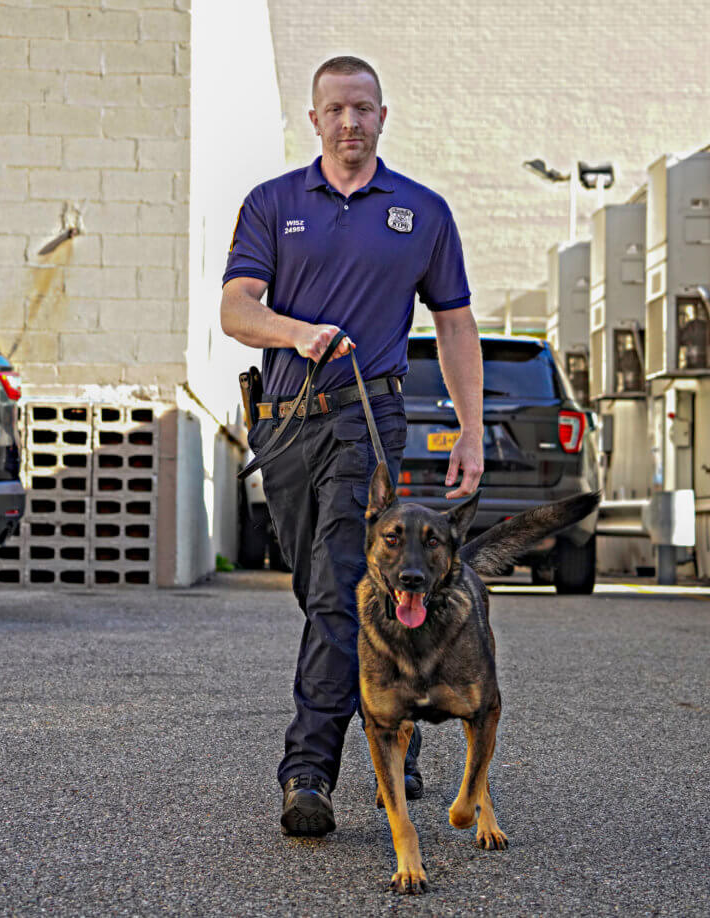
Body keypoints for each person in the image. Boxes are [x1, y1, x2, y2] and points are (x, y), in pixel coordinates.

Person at [220, 56, 484, 837]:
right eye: (335, 109)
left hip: (369, 420)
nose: (349, 122)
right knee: (322, 592)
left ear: (382, 116)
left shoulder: (422, 212)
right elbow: (237, 308)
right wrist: (296, 332)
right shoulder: (272, 203)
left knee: (340, 590)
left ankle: (308, 772)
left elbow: (455, 323)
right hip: (284, 424)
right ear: (314, 119)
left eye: (363, 108)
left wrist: (471, 428)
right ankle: (393, 727)